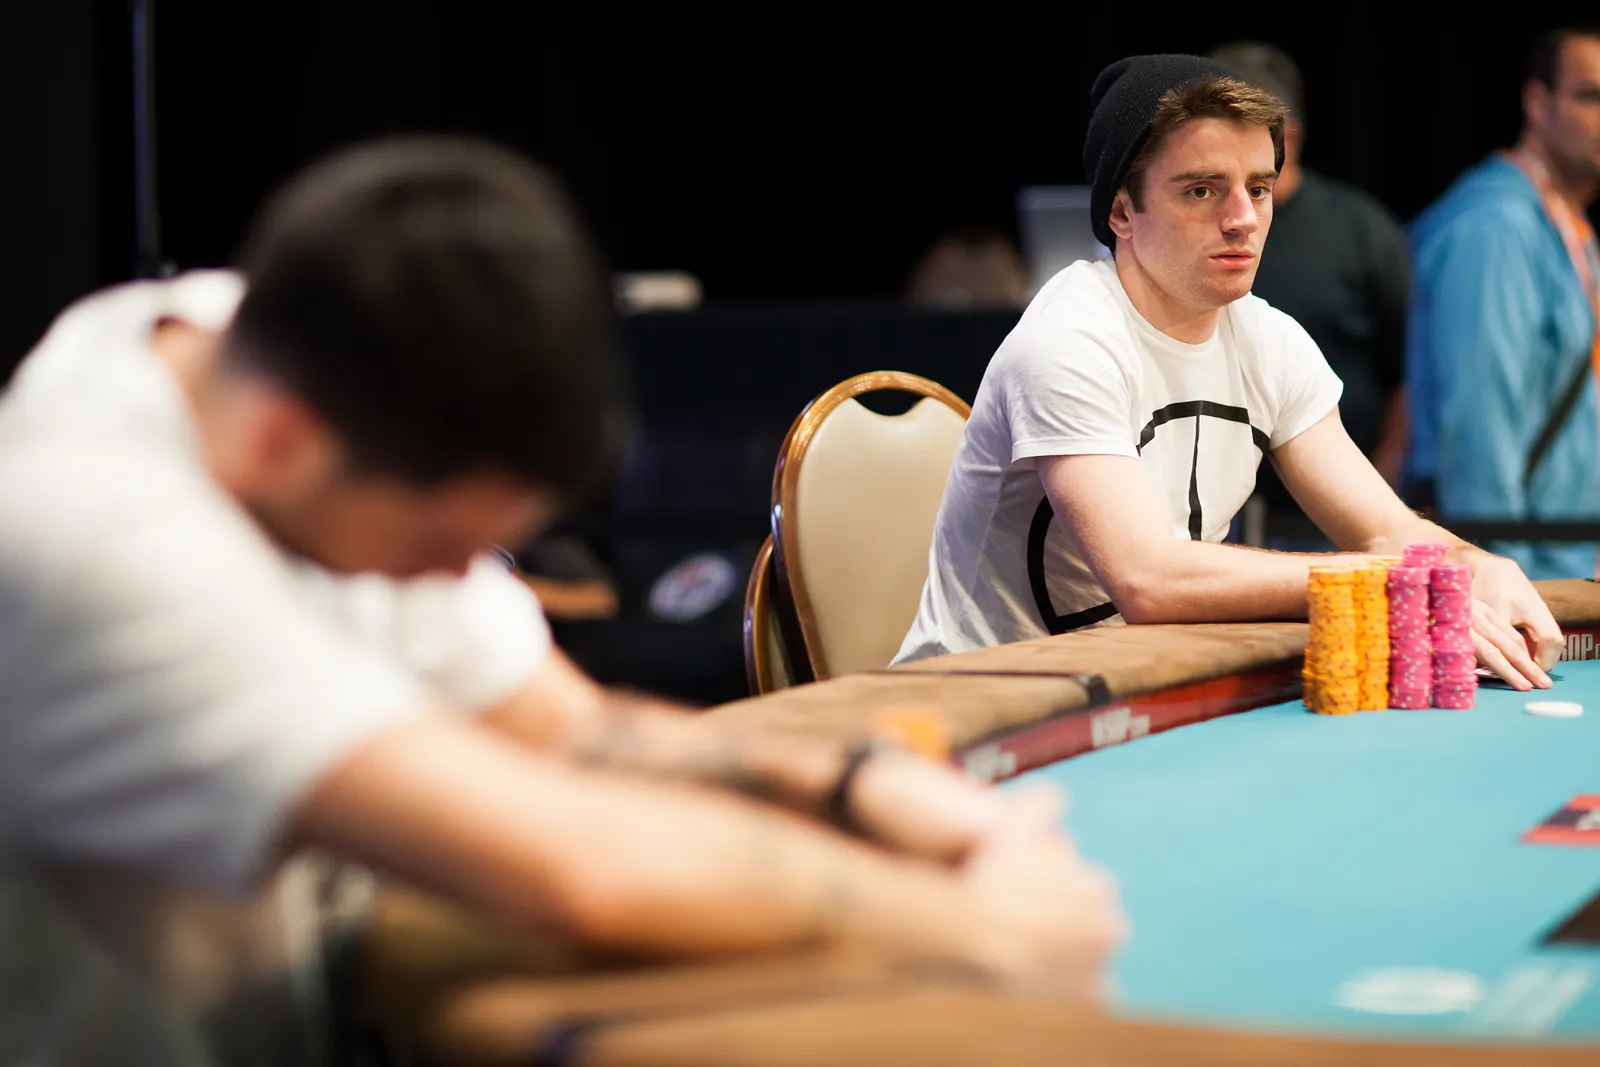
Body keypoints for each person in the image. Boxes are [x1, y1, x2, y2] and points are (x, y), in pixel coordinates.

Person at [0, 136, 1122, 1067]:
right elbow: (579, 870)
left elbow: (571, 726)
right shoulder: (96, 543)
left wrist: (854, 783)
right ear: (285, 442)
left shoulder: (266, 338)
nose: (461, 585)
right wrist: (973, 924)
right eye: (437, 549)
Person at [893, 55, 1563, 693]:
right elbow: (1149, 580)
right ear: (1121, 211)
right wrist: (1385, 580)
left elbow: (1383, 529)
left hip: (1138, 687)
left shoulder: (1270, 340)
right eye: (1201, 190)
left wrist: (1472, 564)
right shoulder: (1068, 340)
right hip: (978, 701)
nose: (1242, 219)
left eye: (1258, 189)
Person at [1404, 25, 1600, 580]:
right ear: (1538, 103)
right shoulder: (1496, 228)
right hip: (1531, 578)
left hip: (1567, 564)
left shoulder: (1563, 225)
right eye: (1590, 96)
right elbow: (1477, 430)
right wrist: (1505, 581)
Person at [1207, 41, 1411, 541]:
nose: (1239, 221)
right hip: (1202, 509)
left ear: (1287, 137)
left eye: (1257, 188)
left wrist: (1375, 505)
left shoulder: (1362, 232)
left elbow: (1408, 375)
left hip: (1322, 515)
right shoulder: (1187, 234)